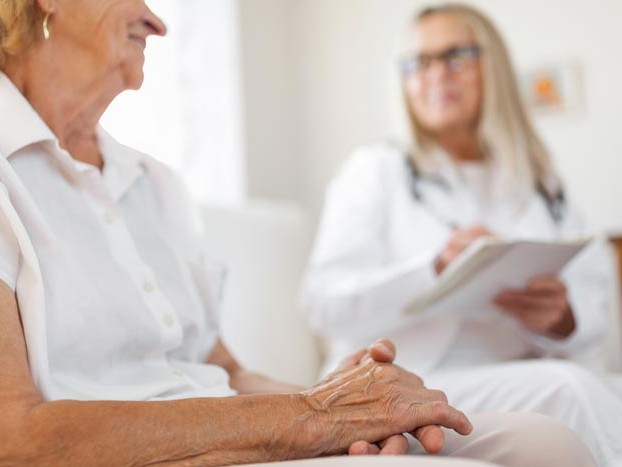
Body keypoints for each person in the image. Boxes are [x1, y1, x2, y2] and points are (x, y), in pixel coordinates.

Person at [0, 1, 600, 466]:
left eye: (455, 58)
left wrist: (352, 402)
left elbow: (228, 371)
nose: (157, 22)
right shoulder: (9, 178)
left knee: (546, 442)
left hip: (244, 423)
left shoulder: (155, 184)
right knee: (562, 399)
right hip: (182, 450)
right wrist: (311, 416)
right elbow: (14, 438)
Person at [301, 3, 622, 466]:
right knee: (570, 389)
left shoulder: (538, 180)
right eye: (419, 62)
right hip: (415, 378)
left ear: (493, 65)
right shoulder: (375, 171)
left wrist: (563, 319)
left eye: (455, 56)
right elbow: (321, 304)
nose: (436, 74)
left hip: (518, 371)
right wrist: (433, 269)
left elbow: (594, 297)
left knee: (596, 385)